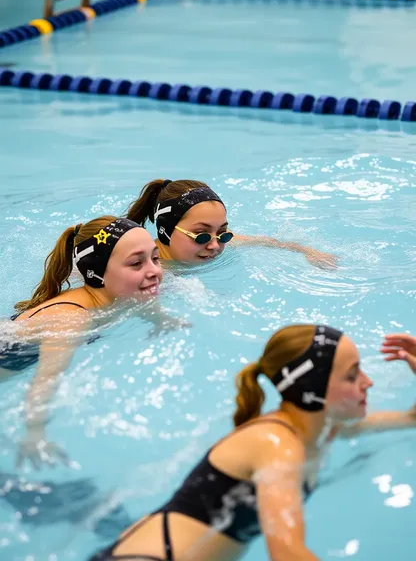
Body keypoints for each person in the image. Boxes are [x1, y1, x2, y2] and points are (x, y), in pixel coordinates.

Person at [88, 324, 416, 561]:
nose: (368, 382)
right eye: (352, 374)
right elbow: (287, 552)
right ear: (313, 389)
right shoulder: (278, 445)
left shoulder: (321, 430)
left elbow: (411, 420)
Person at [0, 216, 163, 468]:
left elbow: (139, 301)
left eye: (155, 258)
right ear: (97, 273)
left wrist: (162, 320)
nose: (154, 271)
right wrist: (35, 433)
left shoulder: (112, 293)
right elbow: (46, 379)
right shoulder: (71, 319)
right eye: (136, 263)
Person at [127, 179, 337, 269]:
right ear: (165, 232)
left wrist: (308, 251)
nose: (214, 245)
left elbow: (268, 242)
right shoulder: (149, 270)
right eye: (201, 235)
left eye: (223, 233)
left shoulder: (217, 242)